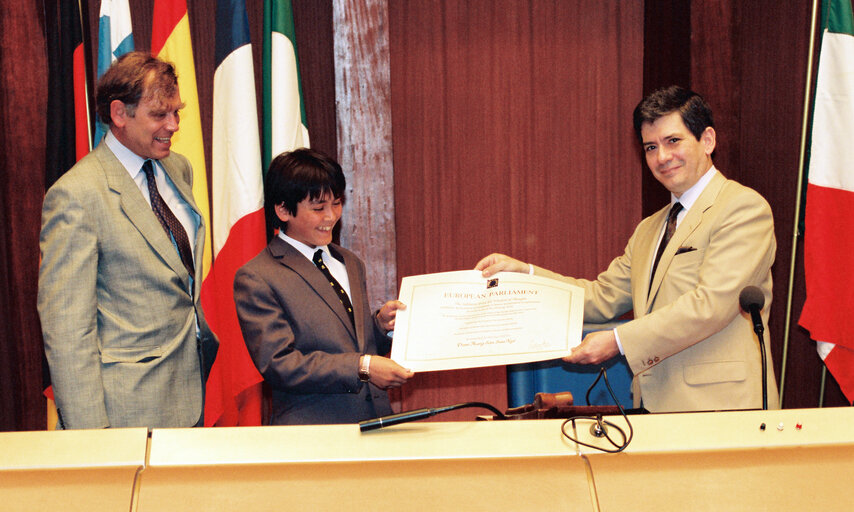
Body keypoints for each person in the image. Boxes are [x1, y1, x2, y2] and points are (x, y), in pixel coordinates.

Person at [476, 86, 779, 412]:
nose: (662, 157)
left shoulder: (742, 208)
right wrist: (528, 277)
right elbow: (601, 297)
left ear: (707, 140)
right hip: (654, 409)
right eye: (651, 147)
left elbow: (711, 306)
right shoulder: (650, 228)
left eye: (673, 141)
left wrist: (617, 341)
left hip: (723, 410)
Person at [38, 51, 218, 429]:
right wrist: (92, 438)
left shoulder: (177, 167)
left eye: (176, 112)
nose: (173, 125)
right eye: (159, 115)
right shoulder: (77, 195)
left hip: (191, 393)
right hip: (126, 414)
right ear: (119, 114)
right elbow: (69, 331)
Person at [234, 148, 413, 425]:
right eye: (318, 208)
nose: (330, 216)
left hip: (376, 423)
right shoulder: (258, 276)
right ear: (283, 210)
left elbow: (355, 344)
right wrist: (361, 368)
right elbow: (279, 364)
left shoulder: (349, 262)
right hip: (314, 433)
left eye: (337, 203)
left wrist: (380, 325)